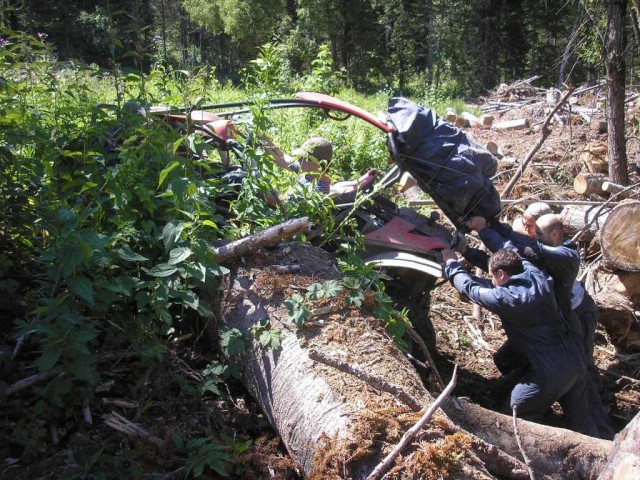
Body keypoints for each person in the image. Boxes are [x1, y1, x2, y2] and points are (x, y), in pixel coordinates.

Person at [441, 246, 598, 436]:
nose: (491, 280)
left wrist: (451, 264)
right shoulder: (534, 274)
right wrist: (468, 250)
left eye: (492, 276)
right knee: (580, 420)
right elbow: (515, 261)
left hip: (552, 371)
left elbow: (470, 289)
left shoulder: (508, 299)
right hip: (575, 358)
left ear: (500, 274)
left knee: (512, 416)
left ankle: (538, 435)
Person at [263, 136, 376, 199]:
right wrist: (265, 141)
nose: (298, 160)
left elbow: (289, 204)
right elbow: (282, 158)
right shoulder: (307, 173)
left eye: (303, 158)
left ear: (317, 164)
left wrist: (272, 195)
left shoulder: (318, 187)